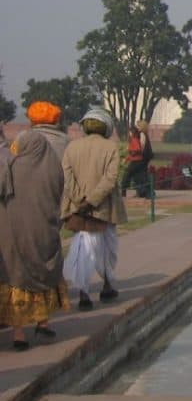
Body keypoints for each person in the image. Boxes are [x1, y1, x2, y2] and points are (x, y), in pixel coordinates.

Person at [0, 130, 69, 351]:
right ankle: (43, 323)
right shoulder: (52, 167)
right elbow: (60, 195)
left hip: (14, 234)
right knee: (43, 276)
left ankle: (19, 335)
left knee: (17, 279)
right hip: (44, 232)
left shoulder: (11, 166)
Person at [61, 107, 128, 311]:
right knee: (105, 249)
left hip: (79, 207)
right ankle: (100, 288)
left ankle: (89, 291)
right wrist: (92, 201)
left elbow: (67, 178)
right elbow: (110, 180)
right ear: (106, 127)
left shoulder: (72, 147)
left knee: (84, 248)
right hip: (103, 207)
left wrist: (80, 200)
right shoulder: (111, 148)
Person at [121, 125, 150, 197]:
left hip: (136, 161)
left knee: (127, 175)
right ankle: (142, 192)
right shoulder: (134, 139)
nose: (129, 133)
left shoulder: (134, 139)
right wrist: (127, 159)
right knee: (138, 177)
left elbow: (138, 149)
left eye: (130, 132)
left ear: (132, 132)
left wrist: (131, 153)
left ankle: (123, 191)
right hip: (137, 161)